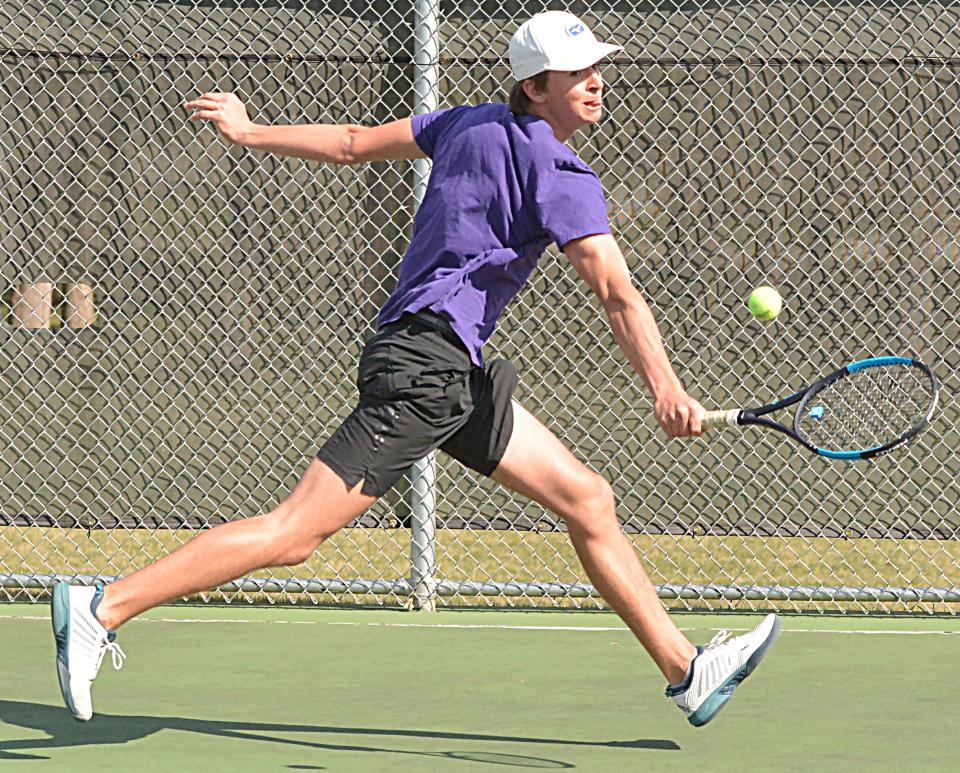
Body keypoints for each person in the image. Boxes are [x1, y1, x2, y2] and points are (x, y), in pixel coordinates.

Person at [51, 10, 780, 726]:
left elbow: (349, 144)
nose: (595, 82)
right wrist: (667, 391)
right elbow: (618, 293)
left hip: (445, 369)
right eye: (576, 72)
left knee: (587, 498)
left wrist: (250, 131)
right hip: (425, 369)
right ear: (534, 86)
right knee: (295, 533)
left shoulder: (464, 122)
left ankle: (686, 669)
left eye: (597, 68)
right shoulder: (561, 172)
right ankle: (102, 606)